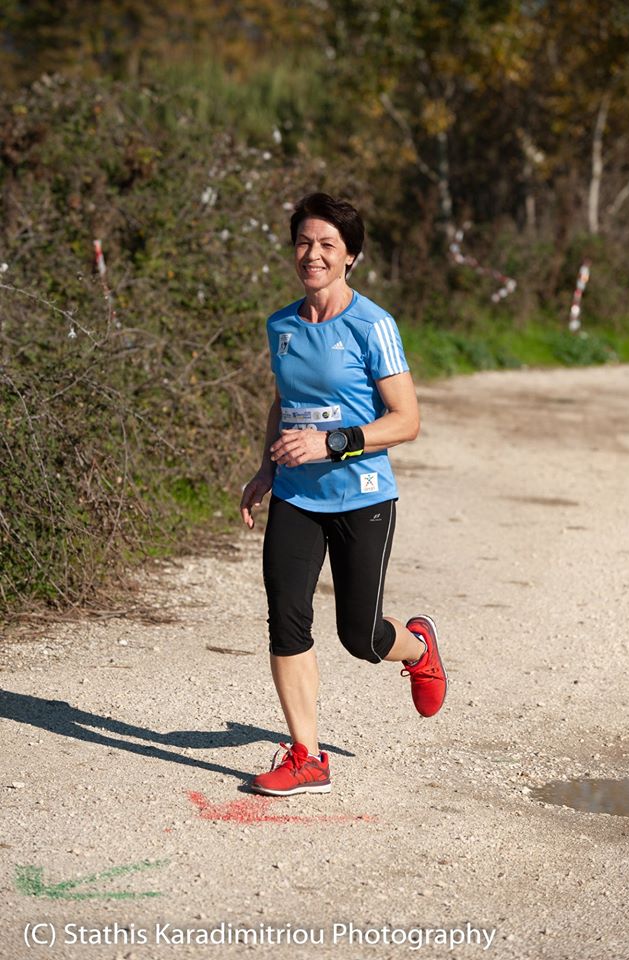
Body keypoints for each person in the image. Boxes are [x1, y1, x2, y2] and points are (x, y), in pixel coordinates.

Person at [240, 193, 447, 796]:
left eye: (327, 244)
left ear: (350, 255)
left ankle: (417, 648)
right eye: (304, 242)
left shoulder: (372, 325)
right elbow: (283, 404)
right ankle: (307, 755)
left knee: (361, 637)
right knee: (287, 619)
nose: (313, 254)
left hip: (362, 496)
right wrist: (265, 469)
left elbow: (406, 421)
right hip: (296, 497)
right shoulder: (281, 325)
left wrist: (331, 443)